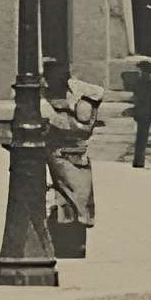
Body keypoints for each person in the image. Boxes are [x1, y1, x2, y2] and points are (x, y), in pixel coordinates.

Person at [44, 80, 105, 260]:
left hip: (70, 156)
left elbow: (82, 127)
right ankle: (67, 245)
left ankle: (71, 246)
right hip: (60, 156)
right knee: (65, 201)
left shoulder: (83, 95)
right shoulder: (46, 93)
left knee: (75, 201)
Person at [122, 53, 151, 169]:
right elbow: (144, 99)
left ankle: (139, 161)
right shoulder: (146, 83)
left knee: (141, 138)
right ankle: (139, 161)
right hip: (145, 113)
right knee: (142, 138)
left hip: (144, 113)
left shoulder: (143, 82)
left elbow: (141, 99)